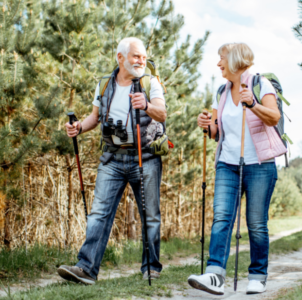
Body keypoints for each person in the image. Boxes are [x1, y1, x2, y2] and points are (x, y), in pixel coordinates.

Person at [57, 37, 167, 285]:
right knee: (98, 214)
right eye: (136, 56)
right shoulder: (105, 84)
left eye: (143, 56)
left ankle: (151, 267)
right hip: (112, 158)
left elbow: (162, 113)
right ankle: (86, 269)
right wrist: (78, 127)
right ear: (120, 58)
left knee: (149, 215)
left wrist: (147, 105)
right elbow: (94, 118)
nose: (141, 61)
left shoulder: (150, 83)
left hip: (145, 156)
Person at [187, 43, 287, 295]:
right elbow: (215, 133)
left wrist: (252, 104)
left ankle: (257, 275)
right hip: (227, 164)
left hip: (260, 166)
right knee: (222, 218)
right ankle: (214, 275)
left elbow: (273, 117)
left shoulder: (260, 83)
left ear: (235, 60)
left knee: (256, 223)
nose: (218, 64)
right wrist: (206, 124)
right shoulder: (221, 91)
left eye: (221, 59)